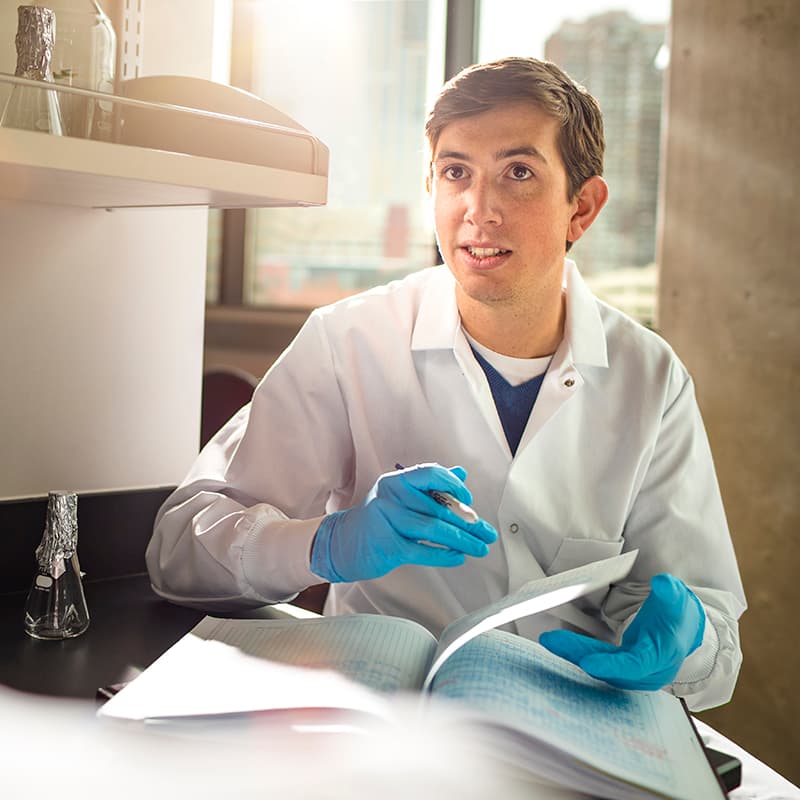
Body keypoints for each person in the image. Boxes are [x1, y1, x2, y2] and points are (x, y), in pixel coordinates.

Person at [146, 57, 746, 711]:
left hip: (575, 733)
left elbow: (711, 645)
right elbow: (179, 552)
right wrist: (324, 543)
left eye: (518, 173)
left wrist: (683, 647)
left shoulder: (652, 381)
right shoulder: (347, 342)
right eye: (456, 173)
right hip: (386, 730)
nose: (477, 210)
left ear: (582, 207)